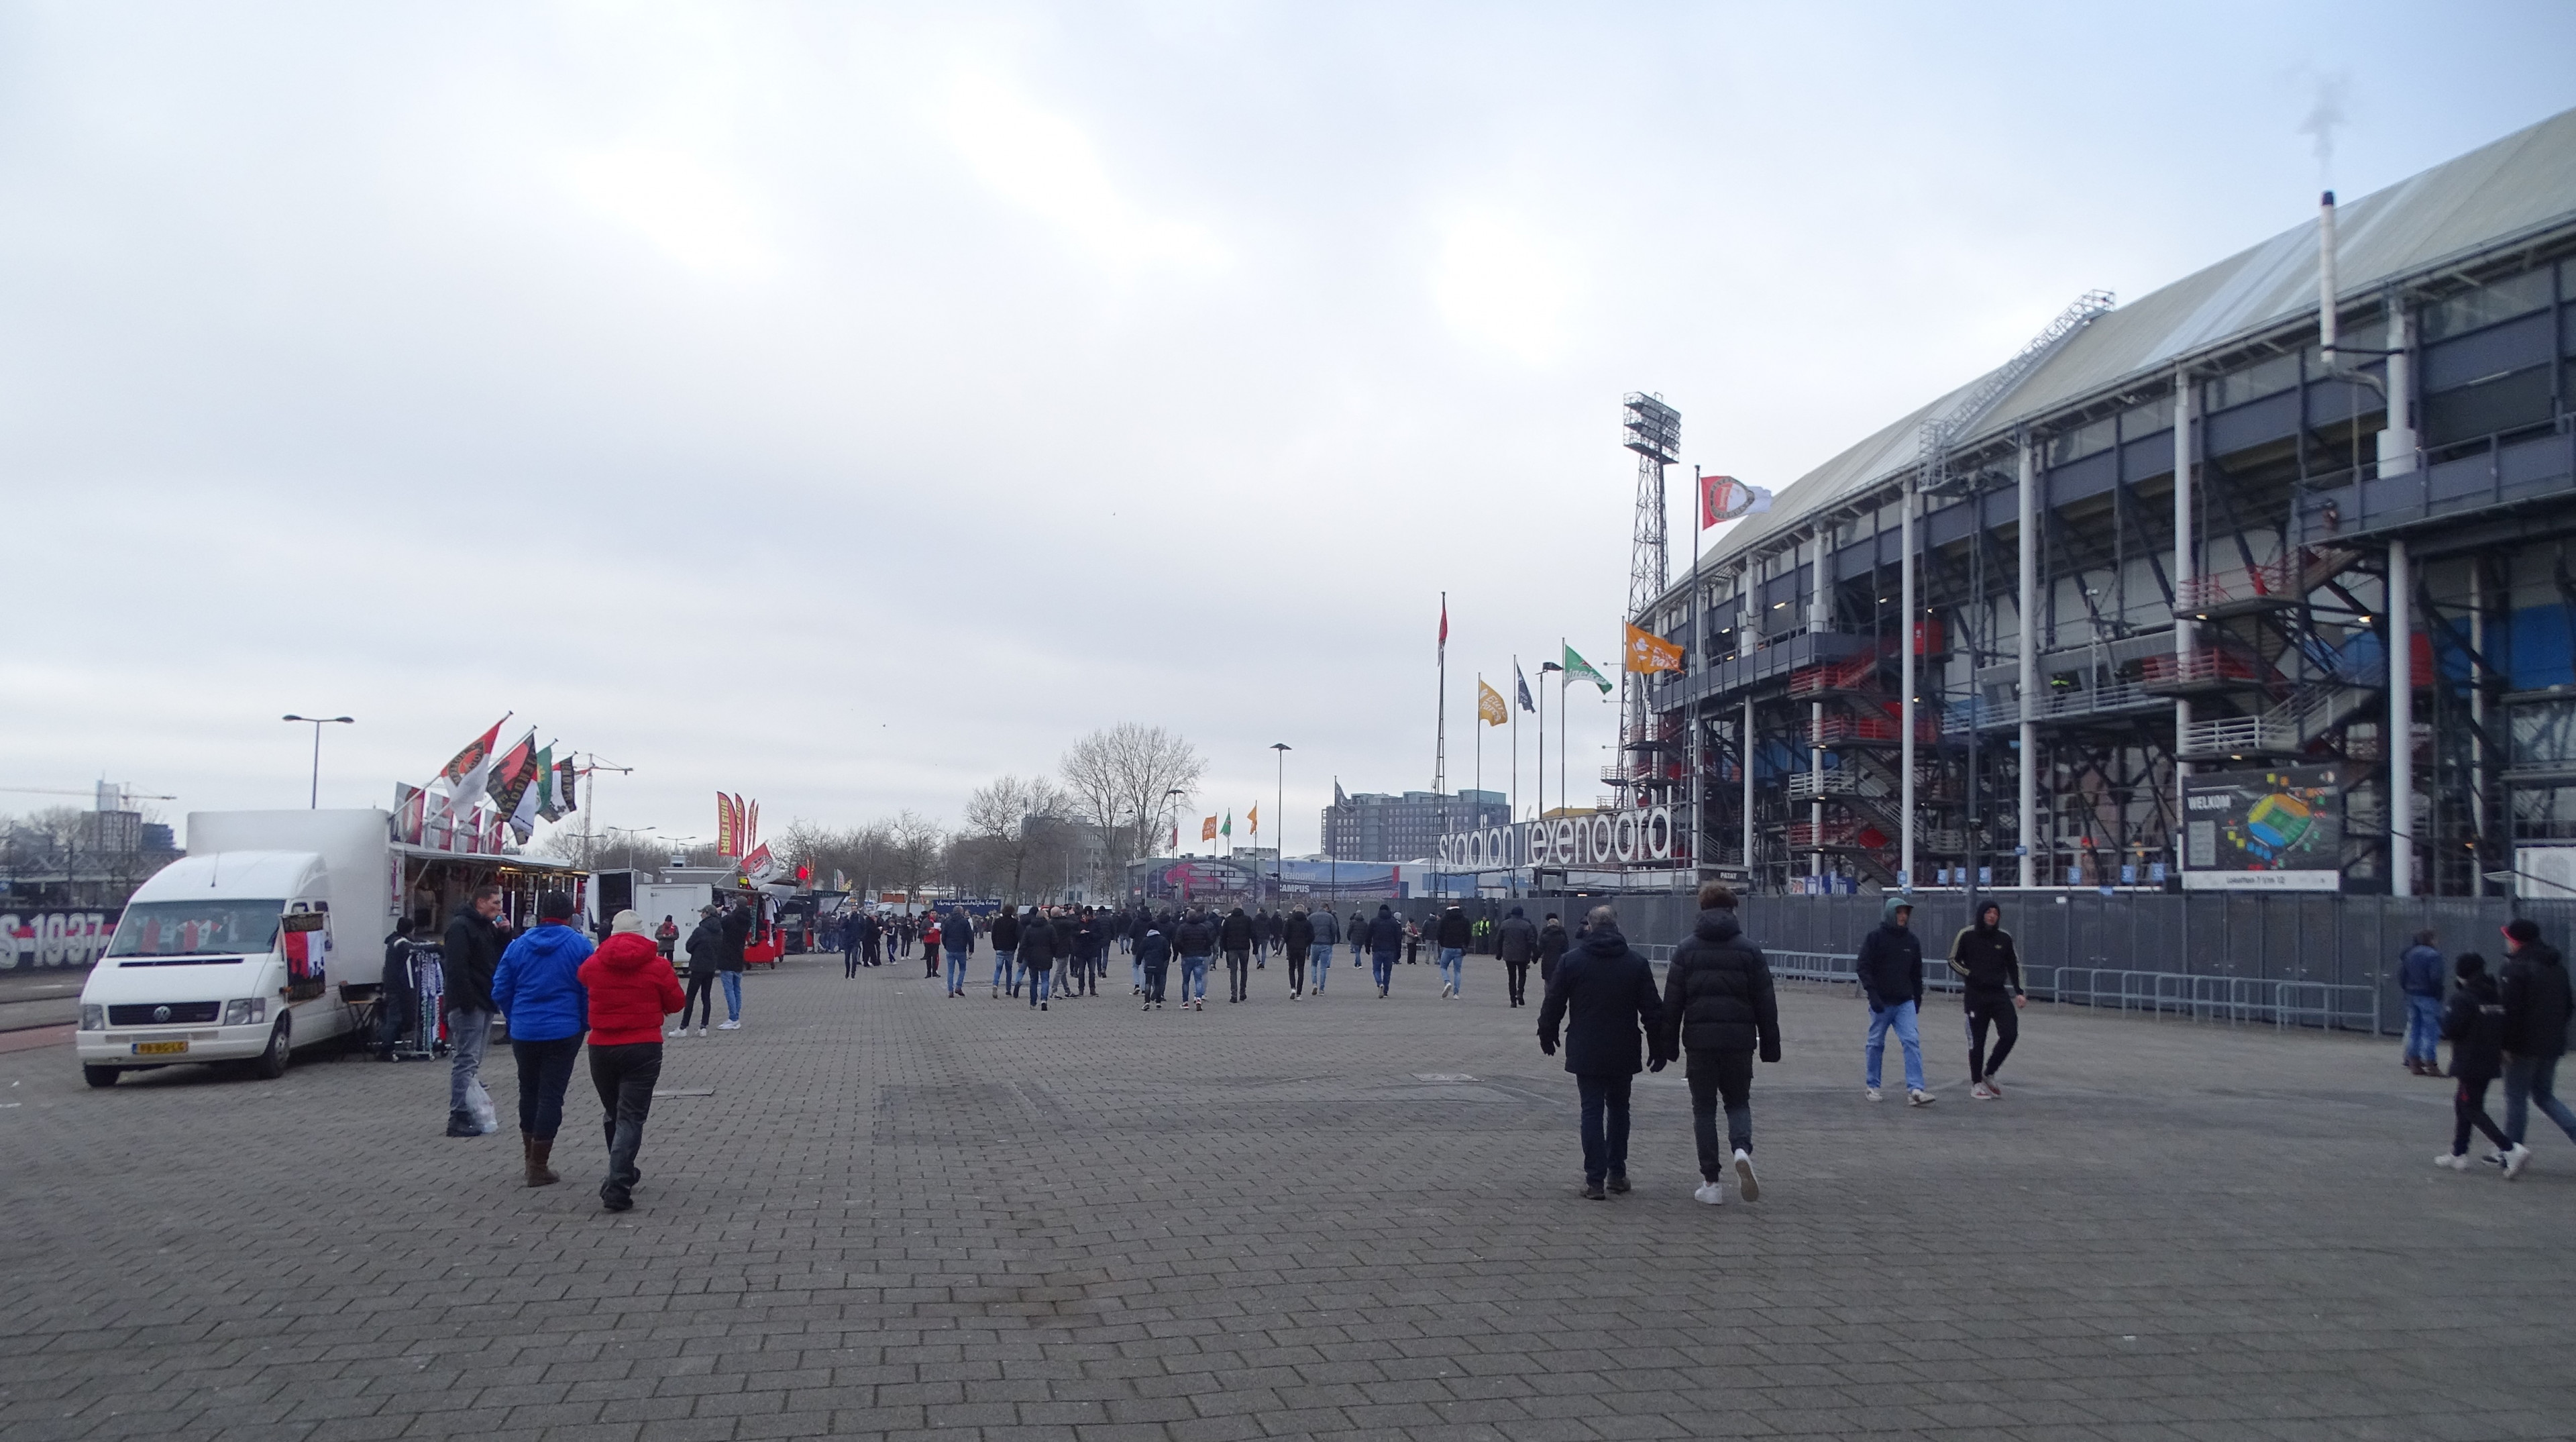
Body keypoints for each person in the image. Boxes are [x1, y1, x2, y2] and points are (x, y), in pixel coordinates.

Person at [1536, 904, 1666, 1200]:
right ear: (1616, 926)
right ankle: (1617, 1174)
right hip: (1624, 1048)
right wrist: (1659, 1047)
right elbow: (1652, 1010)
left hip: (1586, 1046)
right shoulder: (1635, 962)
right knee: (1620, 1109)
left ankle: (1594, 1180)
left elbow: (1553, 1002)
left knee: (1591, 1110)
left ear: (1590, 927)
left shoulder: (1573, 961)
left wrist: (1547, 1034)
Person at [1660, 884, 1778, 1205]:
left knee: (1704, 1110)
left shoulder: (1686, 950)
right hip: (1739, 1043)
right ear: (1732, 910)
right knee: (1738, 1102)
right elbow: (1766, 1002)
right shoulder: (1750, 950)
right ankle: (1741, 1149)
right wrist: (1770, 1046)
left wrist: (1666, 1046)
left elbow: (1672, 1004)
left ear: (1702, 909)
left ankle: (1711, 1184)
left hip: (1699, 1044)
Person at [580, 911, 684, 1212]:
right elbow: (676, 1003)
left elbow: (583, 980)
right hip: (643, 1047)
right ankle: (618, 1183)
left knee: (614, 1113)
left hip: (601, 1047)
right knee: (630, 1117)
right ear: (642, 933)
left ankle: (620, 1169)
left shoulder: (594, 964)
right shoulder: (657, 966)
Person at [490, 890, 593, 1187]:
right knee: (551, 1095)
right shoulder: (579, 945)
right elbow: (588, 988)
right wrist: (583, 1022)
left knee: (528, 1091)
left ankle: (528, 1159)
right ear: (569, 915)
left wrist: (514, 1016)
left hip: (524, 1030)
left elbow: (500, 989)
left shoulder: (517, 946)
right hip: (564, 1029)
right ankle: (539, 1164)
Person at [2436, 952, 2524, 1176]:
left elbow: (2450, 1029)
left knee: (2471, 1107)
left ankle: (2509, 1148)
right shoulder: (2494, 995)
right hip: (2489, 1059)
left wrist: (2444, 1021)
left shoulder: (2463, 998)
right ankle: (2458, 1152)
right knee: (2463, 1103)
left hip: (2469, 1060)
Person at [2498, 917, 2574, 1168]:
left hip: (2522, 1045)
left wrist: (2506, 1044)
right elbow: (2568, 1005)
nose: (2507, 942)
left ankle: (2512, 1149)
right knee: (2544, 1095)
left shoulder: (2515, 968)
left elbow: (2511, 1010)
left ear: (2516, 941)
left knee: (2516, 1097)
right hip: (2551, 1042)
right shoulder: (2556, 966)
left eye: (2508, 938)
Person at [441, 884, 511, 1137]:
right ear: (480, 902)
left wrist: (504, 934)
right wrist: (468, 1001)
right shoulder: (461, 927)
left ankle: (468, 1109)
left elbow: (496, 958)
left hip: (484, 1000)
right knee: (466, 1060)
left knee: (474, 1060)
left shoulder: (486, 927)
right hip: (469, 1004)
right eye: (495, 903)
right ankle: (458, 1114)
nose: (500, 908)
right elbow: (457, 968)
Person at [1855, 896, 1934, 1105]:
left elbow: (1916, 973)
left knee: (1911, 1041)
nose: (1903, 916)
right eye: (1899, 912)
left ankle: (1916, 1089)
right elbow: (1863, 966)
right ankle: (1872, 1085)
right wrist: (1872, 994)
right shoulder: (1875, 938)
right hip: (1881, 1001)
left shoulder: (1912, 941)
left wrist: (1917, 998)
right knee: (1875, 1044)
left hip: (1904, 1002)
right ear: (1891, 913)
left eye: (1905, 913)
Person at [1946, 901, 2026, 1100]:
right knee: (1977, 1042)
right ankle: (1976, 1084)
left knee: (2010, 1033)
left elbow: (2014, 965)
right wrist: (1970, 974)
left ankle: (1989, 1072)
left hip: (1998, 995)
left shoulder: (2004, 938)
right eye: (1988, 912)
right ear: (1981, 914)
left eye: (1996, 913)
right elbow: (1953, 960)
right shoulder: (1967, 935)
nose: (1992, 916)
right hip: (1975, 996)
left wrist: (2020, 991)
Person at [2400, 929, 2445, 1076]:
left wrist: (2407, 988)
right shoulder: (2434, 955)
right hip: (2428, 995)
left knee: (2415, 1028)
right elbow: (2436, 977)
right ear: (2431, 940)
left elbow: (2401, 974)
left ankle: (2414, 1062)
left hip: (2412, 994)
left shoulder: (2409, 954)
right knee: (2430, 1030)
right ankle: (2431, 1063)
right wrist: (2438, 993)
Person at [378, 917, 418, 1060]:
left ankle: (389, 1047)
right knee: (394, 1018)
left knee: (393, 1017)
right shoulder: (401, 944)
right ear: (410, 930)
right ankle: (386, 1049)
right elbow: (415, 948)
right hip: (396, 988)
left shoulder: (392, 941)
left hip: (391, 986)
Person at [1173, 907, 1217, 1012]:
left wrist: (1182, 950)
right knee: (1199, 979)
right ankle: (1199, 998)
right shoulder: (1203, 927)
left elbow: (1177, 941)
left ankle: (1185, 1002)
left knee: (1186, 981)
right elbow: (1210, 940)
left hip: (1187, 956)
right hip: (1200, 955)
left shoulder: (1183, 928)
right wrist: (1204, 948)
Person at [1495, 906, 1537, 1009]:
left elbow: (1499, 940)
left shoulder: (1505, 924)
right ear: (1522, 914)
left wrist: (1499, 953)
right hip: (1523, 954)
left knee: (1511, 976)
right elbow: (1532, 941)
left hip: (1508, 954)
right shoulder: (1527, 925)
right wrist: (1534, 954)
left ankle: (1513, 1000)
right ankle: (1520, 992)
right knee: (1522, 974)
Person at [718, 901, 753, 1027]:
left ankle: (733, 1018)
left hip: (727, 958)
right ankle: (736, 1017)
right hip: (739, 957)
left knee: (729, 990)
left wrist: (719, 913)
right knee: (737, 989)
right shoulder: (747, 921)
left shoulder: (730, 919)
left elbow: (720, 924)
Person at [1018, 905, 1057, 1011]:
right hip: (1046, 957)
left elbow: (1023, 944)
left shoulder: (1029, 929)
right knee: (1045, 980)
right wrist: (1053, 954)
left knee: (1033, 981)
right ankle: (1044, 1000)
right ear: (1044, 918)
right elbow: (1055, 943)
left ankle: (1033, 1002)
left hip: (1032, 957)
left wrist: (1020, 958)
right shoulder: (1050, 928)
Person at [1136, 914, 1172, 1011]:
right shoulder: (1163, 940)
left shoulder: (1145, 940)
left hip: (1148, 963)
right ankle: (1158, 1002)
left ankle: (1147, 1002)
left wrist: (1138, 961)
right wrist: (1164, 959)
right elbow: (1168, 952)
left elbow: (1140, 952)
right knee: (1158, 983)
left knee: (1148, 982)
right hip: (1159, 963)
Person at [1436, 903, 1470, 999]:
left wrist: (1442, 943)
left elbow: (1439, 933)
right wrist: (1465, 946)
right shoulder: (1465, 919)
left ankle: (1447, 982)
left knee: (1443, 967)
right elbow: (1468, 934)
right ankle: (1456, 994)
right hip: (1459, 948)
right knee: (1457, 971)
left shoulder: (1445, 919)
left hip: (1447, 947)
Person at [1368, 903, 1405, 996]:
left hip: (1377, 949)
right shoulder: (1394, 923)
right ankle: (1385, 990)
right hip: (1390, 950)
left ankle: (1379, 983)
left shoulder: (1374, 921)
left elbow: (1368, 935)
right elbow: (1398, 938)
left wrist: (1368, 947)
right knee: (1387, 971)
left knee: (1376, 969)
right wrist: (1398, 952)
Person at [1222, 905, 1254, 1004]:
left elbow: (1223, 935)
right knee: (1244, 970)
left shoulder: (1228, 920)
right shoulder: (1247, 919)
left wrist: (1225, 948)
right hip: (1244, 947)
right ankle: (1243, 992)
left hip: (1232, 948)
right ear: (1242, 908)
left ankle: (1234, 995)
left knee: (1233, 971)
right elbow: (1253, 933)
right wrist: (1255, 947)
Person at [943, 904, 975, 996]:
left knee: (950, 971)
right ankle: (958, 986)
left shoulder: (947, 921)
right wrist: (971, 949)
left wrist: (946, 946)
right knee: (962, 969)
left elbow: (944, 936)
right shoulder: (965, 922)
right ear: (961, 912)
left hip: (950, 949)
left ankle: (950, 990)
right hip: (961, 949)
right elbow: (970, 936)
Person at [1307, 904, 1340, 996]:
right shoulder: (1330, 917)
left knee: (1313, 965)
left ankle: (1314, 984)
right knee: (1323, 967)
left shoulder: (1311, 917)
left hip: (1315, 943)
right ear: (1326, 908)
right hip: (1326, 943)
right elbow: (1334, 929)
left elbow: (1308, 929)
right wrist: (1332, 940)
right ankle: (1321, 989)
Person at [989, 905, 1020, 998]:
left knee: (998, 969)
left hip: (999, 948)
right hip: (1010, 948)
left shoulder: (998, 922)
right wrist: (1015, 946)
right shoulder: (1015, 922)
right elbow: (1017, 936)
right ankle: (1008, 990)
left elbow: (993, 935)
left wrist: (995, 946)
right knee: (1009, 970)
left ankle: (995, 984)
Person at [1283, 905, 1313, 1000]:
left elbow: (1285, 935)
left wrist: (1289, 943)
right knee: (1301, 970)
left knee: (1291, 968)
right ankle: (1299, 993)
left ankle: (1293, 988)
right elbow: (1312, 936)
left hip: (1292, 948)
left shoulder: (1289, 922)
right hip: (1302, 948)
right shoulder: (1307, 923)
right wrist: (1306, 944)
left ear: (1295, 911)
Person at [1537, 911, 1569, 988]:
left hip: (1547, 961)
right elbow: (1566, 948)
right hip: (1560, 960)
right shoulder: (1562, 934)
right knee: (1560, 981)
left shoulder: (1545, 934)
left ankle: (1549, 997)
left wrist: (1534, 958)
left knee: (1548, 982)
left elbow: (1540, 948)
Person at [842, 913, 865, 979]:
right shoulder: (847, 918)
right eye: (853, 909)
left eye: (855, 909)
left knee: (854, 957)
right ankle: (847, 972)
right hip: (847, 941)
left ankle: (853, 972)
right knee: (847, 958)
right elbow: (842, 926)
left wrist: (860, 937)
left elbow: (864, 928)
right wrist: (847, 919)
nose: (854, 910)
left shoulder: (860, 918)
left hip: (855, 941)